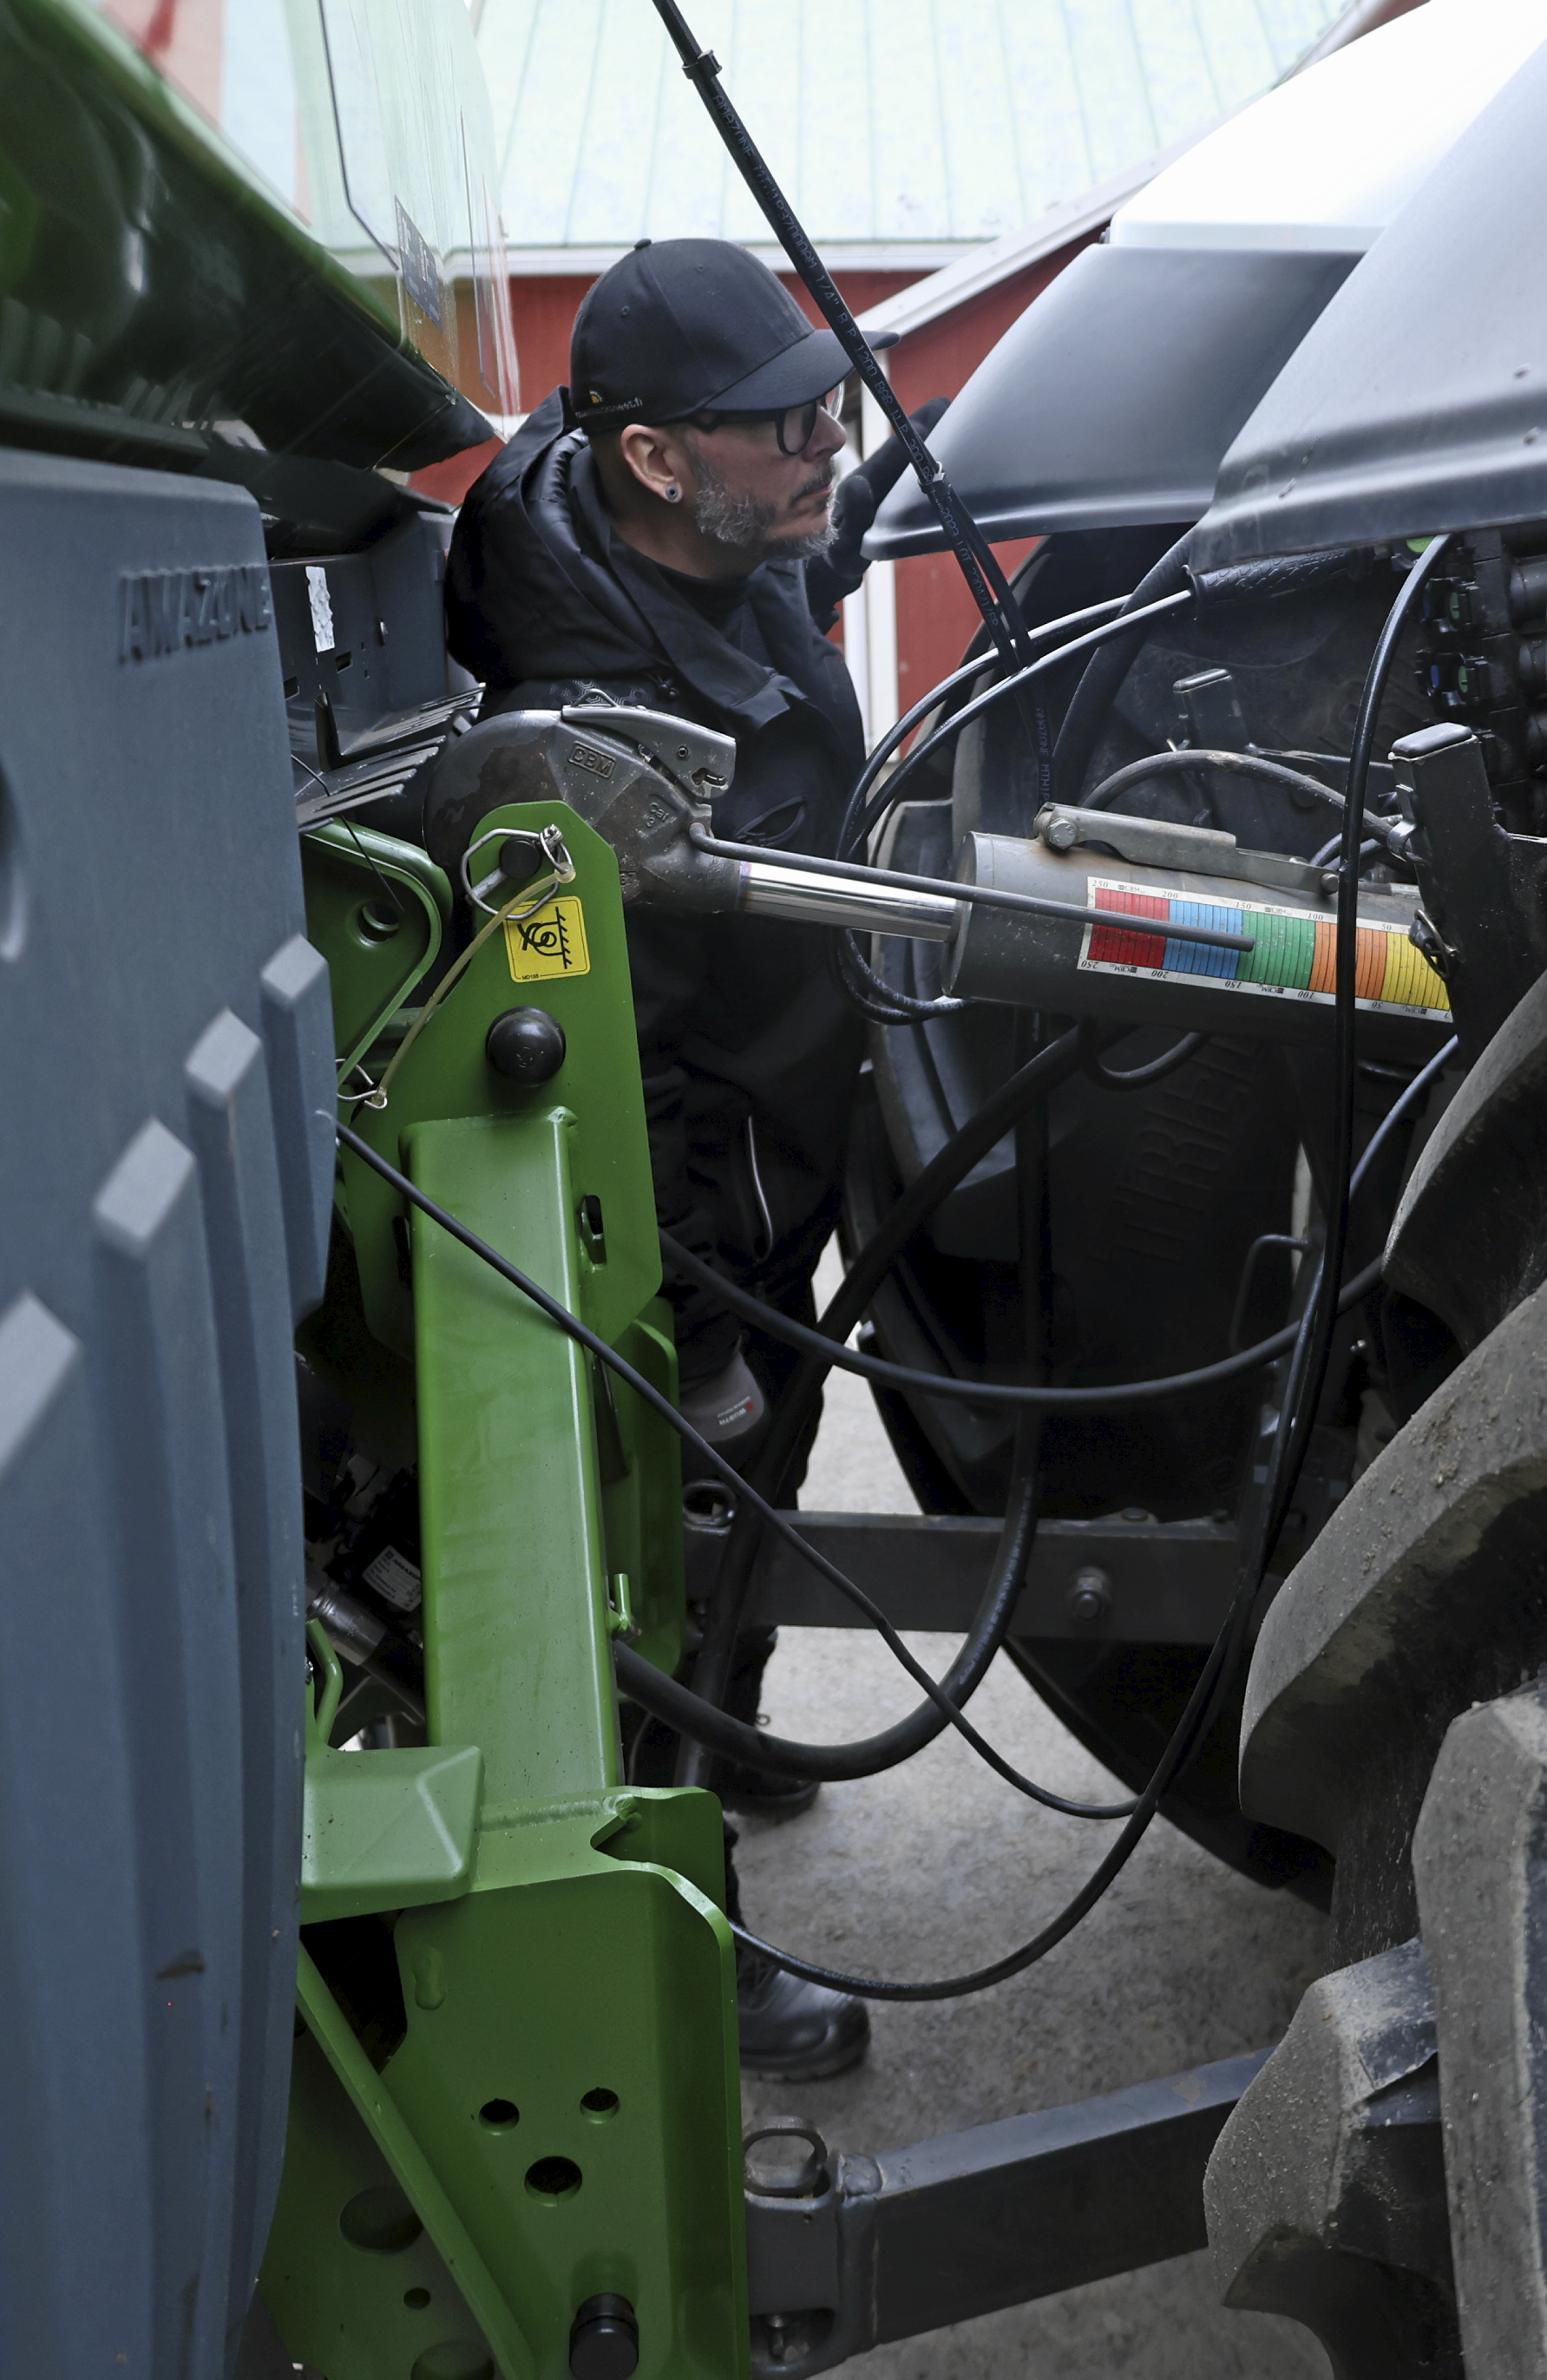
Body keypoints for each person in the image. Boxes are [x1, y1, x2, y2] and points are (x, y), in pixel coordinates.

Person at [442, 237, 924, 2082]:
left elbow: (787, 585)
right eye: (788, 427)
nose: (827, 444)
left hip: (785, 1130)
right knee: (661, 1545)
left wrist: (843, 510)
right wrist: (692, 1333)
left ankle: (729, 1739)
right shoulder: (587, 729)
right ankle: (678, 1930)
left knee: (757, 1505)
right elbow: (612, 1061)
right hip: (686, 1199)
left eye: (833, 406)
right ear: (652, 457)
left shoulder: (709, 537)